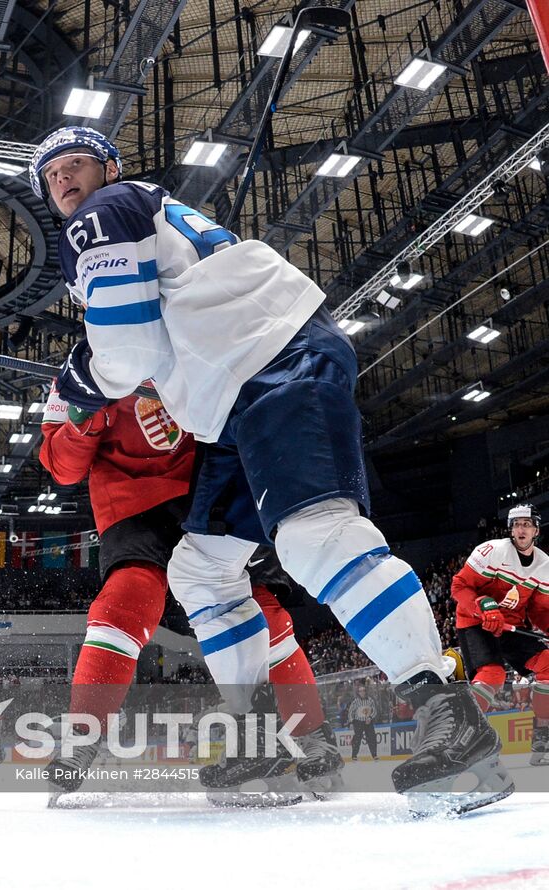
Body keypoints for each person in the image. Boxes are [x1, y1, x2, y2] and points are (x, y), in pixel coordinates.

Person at [30, 124, 508, 814]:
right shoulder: (138, 214)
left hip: (276, 364)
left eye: (74, 165)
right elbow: (154, 352)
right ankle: (261, 738)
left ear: (109, 167)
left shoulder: (107, 214)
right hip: (238, 394)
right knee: (201, 569)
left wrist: (77, 382)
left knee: (315, 535)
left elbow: (124, 354)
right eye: (50, 177)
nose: (63, 182)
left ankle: (450, 719)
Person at [37, 382, 341, 801]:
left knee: (260, 611)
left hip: (212, 485)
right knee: (125, 602)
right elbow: (61, 467)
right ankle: (81, 736)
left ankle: (309, 738)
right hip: (132, 504)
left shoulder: (191, 331)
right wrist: (83, 419)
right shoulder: (79, 372)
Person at [449, 504, 549, 761]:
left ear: (536, 529)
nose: (521, 529)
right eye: (516, 524)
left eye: (526, 524)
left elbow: (539, 611)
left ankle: (542, 737)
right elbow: (459, 586)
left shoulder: (544, 565)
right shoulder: (492, 551)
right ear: (511, 530)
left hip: (511, 626)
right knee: (491, 675)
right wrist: (483, 605)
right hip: (475, 622)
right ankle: (461, 739)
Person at [346, 682, 380, 761]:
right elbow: (351, 712)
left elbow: (374, 710)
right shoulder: (356, 701)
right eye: (361, 691)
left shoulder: (370, 700)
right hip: (358, 722)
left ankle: (374, 755)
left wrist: (370, 717)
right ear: (358, 692)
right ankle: (354, 756)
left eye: (364, 690)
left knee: (372, 738)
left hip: (368, 722)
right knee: (357, 739)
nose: (362, 692)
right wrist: (351, 722)